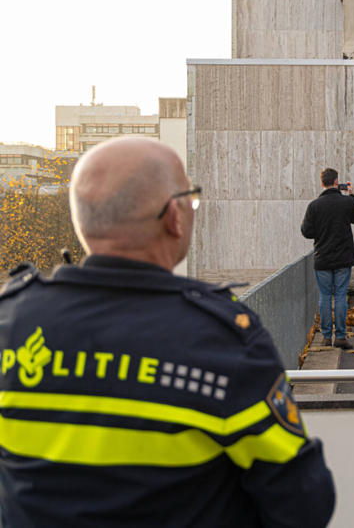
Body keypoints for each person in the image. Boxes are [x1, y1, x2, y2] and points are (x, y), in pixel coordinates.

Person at [0, 137, 335, 527]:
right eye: (190, 199)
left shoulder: (12, 322)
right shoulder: (221, 340)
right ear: (174, 217)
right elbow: (304, 503)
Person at [301, 168, 354, 349]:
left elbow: (306, 232)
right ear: (337, 182)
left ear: (322, 183)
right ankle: (341, 337)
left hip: (323, 259)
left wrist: (320, 231)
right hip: (343, 258)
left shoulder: (314, 206)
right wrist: (352, 196)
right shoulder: (346, 202)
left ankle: (327, 337)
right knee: (340, 297)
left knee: (325, 296)